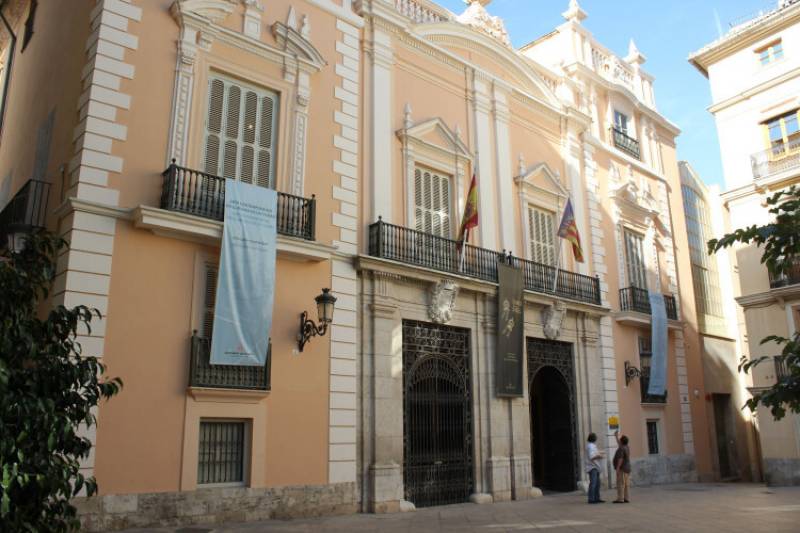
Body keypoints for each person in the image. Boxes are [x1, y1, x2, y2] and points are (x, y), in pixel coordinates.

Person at [585, 432, 605, 504]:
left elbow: (594, 453)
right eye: (595, 437)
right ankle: (591, 499)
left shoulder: (592, 445)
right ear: (593, 438)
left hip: (595, 466)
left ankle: (596, 498)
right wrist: (599, 456)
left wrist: (600, 453)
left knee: (597, 483)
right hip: (592, 467)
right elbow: (591, 457)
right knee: (593, 483)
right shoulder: (590, 446)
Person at [612, 430, 631, 503]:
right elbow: (619, 444)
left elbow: (620, 459)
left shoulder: (621, 449)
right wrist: (616, 436)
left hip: (622, 468)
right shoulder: (626, 447)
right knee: (626, 484)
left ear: (622, 441)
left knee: (620, 484)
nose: (619, 441)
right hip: (627, 468)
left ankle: (620, 499)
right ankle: (626, 498)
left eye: (620, 440)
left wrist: (617, 468)